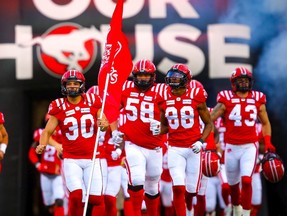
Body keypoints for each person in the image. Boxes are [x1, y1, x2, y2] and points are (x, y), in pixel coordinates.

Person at [35, 70, 123, 216]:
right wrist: (42, 145)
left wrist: (103, 124)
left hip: (92, 159)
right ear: (64, 86)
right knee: (76, 196)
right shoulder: (59, 106)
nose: (72, 87)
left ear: (81, 86)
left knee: (96, 199)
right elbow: (47, 131)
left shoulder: (93, 101)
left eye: (75, 84)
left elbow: (105, 125)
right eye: (69, 84)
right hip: (71, 159)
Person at [210, 67, 276, 216]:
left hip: (249, 146)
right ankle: (236, 207)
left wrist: (268, 141)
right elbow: (210, 120)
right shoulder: (225, 98)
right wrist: (209, 140)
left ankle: (246, 213)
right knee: (233, 185)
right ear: (233, 83)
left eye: (246, 80)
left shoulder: (258, 98)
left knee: (246, 181)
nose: (244, 83)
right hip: (231, 147)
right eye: (240, 80)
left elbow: (265, 123)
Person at [154, 64, 213, 216]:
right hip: (175, 148)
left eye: (177, 76)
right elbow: (165, 127)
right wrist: (157, 130)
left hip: (193, 147)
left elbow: (209, 123)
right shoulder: (163, 98)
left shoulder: (196, 95)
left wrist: (201, 141)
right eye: (172, 76)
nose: (173, 79)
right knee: (178, 187)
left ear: (186, 80)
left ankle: (189, 211)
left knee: (192, 190)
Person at [121, 59, 165, 216]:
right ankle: (135, 213)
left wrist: (162, 126)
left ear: (153, 76)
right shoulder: (125, 88)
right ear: (134, 76)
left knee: (152, 185)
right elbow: (111, 108)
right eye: (140, 75)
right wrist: (113, 130)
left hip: (155, 145)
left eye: (146, 75)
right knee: (137, 179)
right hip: (133, 143)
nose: (143, 79)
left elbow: (174, 114)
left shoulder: (162, 90)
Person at [29, 126, 65, 216]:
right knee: (49, 205)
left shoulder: (63, 134)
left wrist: (62, 166)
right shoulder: (41, 134)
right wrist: (38, 165)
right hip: (45, 174)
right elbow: (32, 152)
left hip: (58, 175)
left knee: (59, 201)